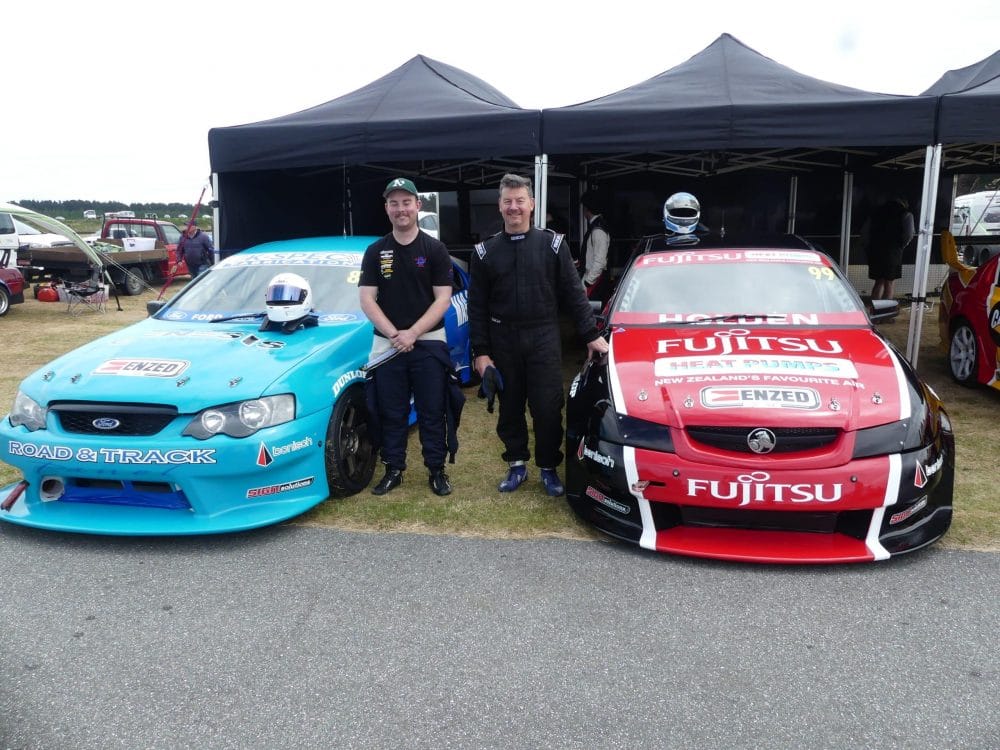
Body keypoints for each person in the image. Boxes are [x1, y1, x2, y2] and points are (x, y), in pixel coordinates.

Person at [468, 173, 609, 497]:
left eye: (520, 201)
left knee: (547, 408)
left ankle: (548, 467)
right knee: (510, 408)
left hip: (543, 336)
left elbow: (575, 294)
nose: (514, 207)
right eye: (508, 201)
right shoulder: (484, 253)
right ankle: (516, 464)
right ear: (500, 206)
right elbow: (476, 308)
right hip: (503, 339)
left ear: (532, 204)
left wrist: (590, 334)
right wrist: (481, 353)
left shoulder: (552, 245)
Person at [359, 177, 456, 497]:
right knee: (391, 410)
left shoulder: (435, 249)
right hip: (388, 345)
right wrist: (394, 334)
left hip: (427, 342)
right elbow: (367, 299)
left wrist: (413, 332)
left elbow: (443, 298)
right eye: (394, 203)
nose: (400, 209)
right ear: (386, 208)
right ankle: (393, 468)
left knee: (432, 409)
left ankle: (436, 469)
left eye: (406, 202)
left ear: (418, 205)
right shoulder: (375, 251)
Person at [866, 197, 915, 300]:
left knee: (878, 281)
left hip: (875, 251)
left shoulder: (877, 213)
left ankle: (874, 308)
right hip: (893, 252)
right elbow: (909, 234)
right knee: (889, 282)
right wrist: (901, 245)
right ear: (904, 203)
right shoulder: (906, 214)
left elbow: (866, 232)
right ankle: (886, 310)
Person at [635, 191, 710, 254]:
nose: (684, 217)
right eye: (679, 212)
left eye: (688, 213)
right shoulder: (651, 240)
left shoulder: (705, 235)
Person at [579, 191, 611, 304]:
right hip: (594, 279)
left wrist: (588, 282)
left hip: (595, 282)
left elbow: (600, 261)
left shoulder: (598, 229)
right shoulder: (597, 227)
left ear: (587, 209)